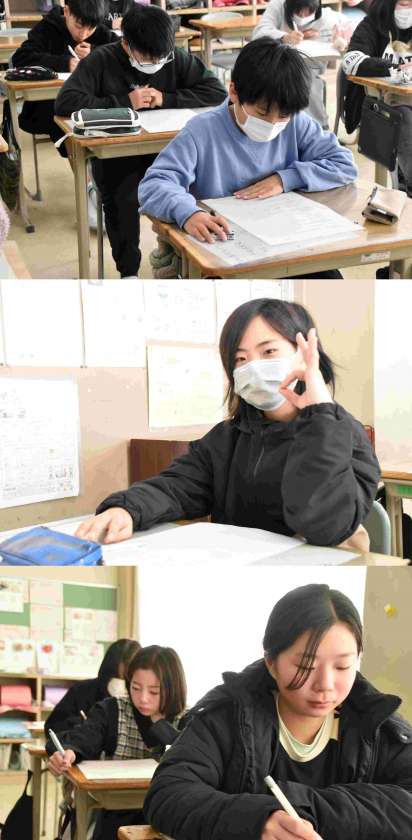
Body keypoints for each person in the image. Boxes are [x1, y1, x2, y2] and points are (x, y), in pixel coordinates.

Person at [75, 298, 379, 550]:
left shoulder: (344, 434)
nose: (254, 367)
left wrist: (320, 414)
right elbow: (178, 486)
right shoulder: (227, 437)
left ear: (304, 353)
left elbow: (324, 526)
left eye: (269, 352)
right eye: (240, 359)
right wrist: (127, 509)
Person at [143, 584, 412, 840]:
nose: (325, 685)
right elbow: (168, 794)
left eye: (342, 667)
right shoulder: (229, 716)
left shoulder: (376, 724)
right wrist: (256, 821)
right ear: (271, 662)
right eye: (306, 667)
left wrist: (308, 808)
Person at [138, 37, 357, 272]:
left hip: (283, 238)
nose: (272, 123)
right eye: (262, 113)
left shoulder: (296, 123)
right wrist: (189, 213)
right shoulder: (201, 132)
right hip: (225, 245)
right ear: (234, 91)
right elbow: (154, 184)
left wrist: (285, 179)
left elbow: (343, 163)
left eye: (283, 116)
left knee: (326, 278)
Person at [54, 4, 227, 278]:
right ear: (126, 44)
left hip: (167, 152)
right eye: (147, 57)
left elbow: (216, 91)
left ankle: (179, 256)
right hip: (117, 158)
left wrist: (166, 99)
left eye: (161, 57)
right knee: (122, 199)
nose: (155, 62)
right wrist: (125, 102)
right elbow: (65, 103)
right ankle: (129, 272)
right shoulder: (101, 60)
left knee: (199, 187)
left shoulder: (174, 57)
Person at [46, 644, 187, 840]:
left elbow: (189, 755)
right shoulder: (112, 709)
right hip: (116, 814)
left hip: (167, 816)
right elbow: (86, 737)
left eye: (154, 692)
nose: (143, 699)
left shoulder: (187, 719)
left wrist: (160, 724)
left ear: (173, 689)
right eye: (135, 688)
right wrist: (70, 751)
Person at [12, 0, 117, 153]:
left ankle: (93, 159)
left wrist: (94, 51)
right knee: (70, 127)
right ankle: (82, 161)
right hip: (48, 105)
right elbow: (21, 58)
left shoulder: (97, 27)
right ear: (67, 12)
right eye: (79, 26)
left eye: (90, 29)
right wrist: (65, 63)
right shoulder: (48, 27)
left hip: (89, 103)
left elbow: (120, 52)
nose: (83, 34)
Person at [342, 0, 412, 195]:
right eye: (402, 4)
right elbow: (350, 61)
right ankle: (408, 181)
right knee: (404, 117)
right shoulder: (372, 24)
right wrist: (393, 69)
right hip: (383, 102)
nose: (407, 9)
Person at [252, 0, 352, 128]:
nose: (303, 16)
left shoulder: (325, 14)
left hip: (311, 64)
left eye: (308, 12)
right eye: (299, 12)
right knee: (283, 80)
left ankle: (317, 127)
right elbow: (259, 32)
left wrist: (340, 37)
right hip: (277, 63)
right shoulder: (277, 6)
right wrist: (284, 37)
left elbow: (350, 27)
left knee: (306, 79)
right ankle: (288, 124)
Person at [44, 637, 141, 734]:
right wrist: (83, 723)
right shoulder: (82, 690)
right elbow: (52, 727)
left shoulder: (141, 698)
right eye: (117, 678)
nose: (122, 686)